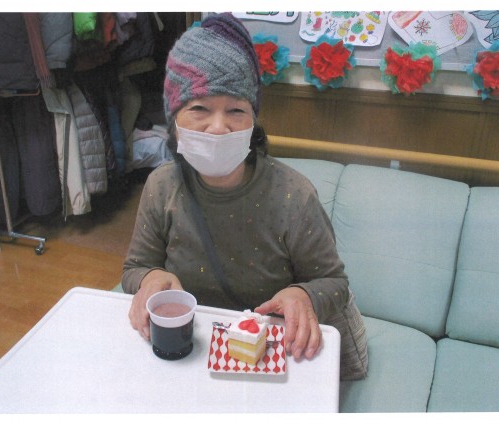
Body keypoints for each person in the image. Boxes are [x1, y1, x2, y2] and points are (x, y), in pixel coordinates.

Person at [121, 13, 367, 379]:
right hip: (195, 351)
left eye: (236, 110)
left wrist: (303, 295)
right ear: (173, 118)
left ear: (253, 121)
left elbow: (334, 283)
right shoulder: (161, 186)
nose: (218, 127)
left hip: (275, 354)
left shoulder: (294, 195)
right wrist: (151, 278)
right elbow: (134, 269)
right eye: (199, 108)